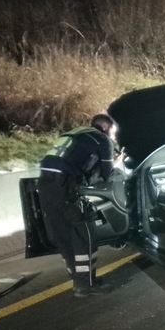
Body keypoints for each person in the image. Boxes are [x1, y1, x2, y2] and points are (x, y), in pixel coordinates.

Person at [38, 114, 121, 297]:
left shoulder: (76, 134)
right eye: (113, 133)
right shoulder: (102, 139)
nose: (113, 137)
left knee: (65, 234)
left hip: (44, 184)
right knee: (85, 231)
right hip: (65, 184)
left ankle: (79, 280)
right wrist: (118, 161)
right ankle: (86, 286)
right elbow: (106, 176)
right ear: (106, 128)